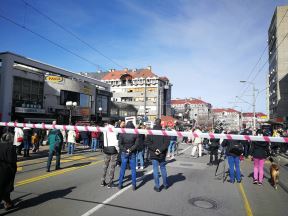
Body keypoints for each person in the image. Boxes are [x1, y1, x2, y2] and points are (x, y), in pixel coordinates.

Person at [146, 118, 170, 192]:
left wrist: (156, 150)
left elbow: (147, 143)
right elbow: (167, 143)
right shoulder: (164, 132)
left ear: (154, 123)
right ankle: (165, 184)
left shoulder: (151, 132)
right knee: (163, 169)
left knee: (156, 169)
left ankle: (157, 186)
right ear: (160, 123)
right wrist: (160, 150)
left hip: (154, 153)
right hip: (161, 153)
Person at [118, 121, 139, 190]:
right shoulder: (135, 133)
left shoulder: (122, 133)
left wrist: (125, 150)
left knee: (122, 169)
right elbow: (136, 144)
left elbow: (119, 144)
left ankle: (120, 184)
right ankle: (134, 185)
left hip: (124, 152)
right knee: (133, 170)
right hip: (132, 152)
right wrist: (130, 150)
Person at [0, 130, 17, 210]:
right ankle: (8, 203)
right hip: (7, 170)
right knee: (5, 188)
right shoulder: (11, 147)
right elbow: (12, 160)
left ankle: (8, 203)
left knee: (4, 188)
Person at [101, 120, 119, 188]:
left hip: (106, 148)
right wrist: (118, 149)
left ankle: (102, 181)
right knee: (112, 166)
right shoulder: (115, 129)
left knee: (105, 166)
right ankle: (110, 182)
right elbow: (116, 140)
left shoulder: (104, 129)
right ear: (114, 123)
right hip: (113, 148)